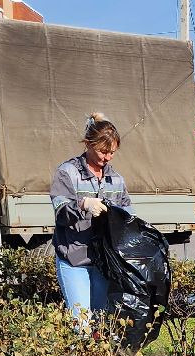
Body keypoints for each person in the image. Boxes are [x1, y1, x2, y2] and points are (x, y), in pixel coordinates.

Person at [50, 114, 132, 326]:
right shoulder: (67, 173)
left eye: (112, 153)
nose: (107, 158)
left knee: (102, 323)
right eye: (103, 151)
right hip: (74, 261)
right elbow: (61, 213)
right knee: (82, 324)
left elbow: (127, 215)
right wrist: (83, 204)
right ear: (88, 144)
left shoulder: (116, 179)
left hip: (103, 263)